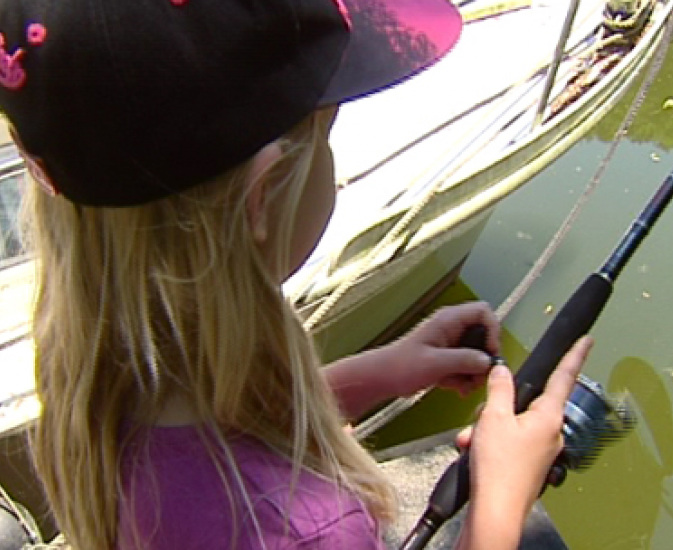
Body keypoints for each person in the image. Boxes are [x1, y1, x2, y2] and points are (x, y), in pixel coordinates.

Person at [0, 0, 593, 548]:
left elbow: (204, 449)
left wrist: (377, 373)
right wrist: (501, 505)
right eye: (326, 136)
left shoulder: (96, 374)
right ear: (261, 199)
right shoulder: (306, 530)